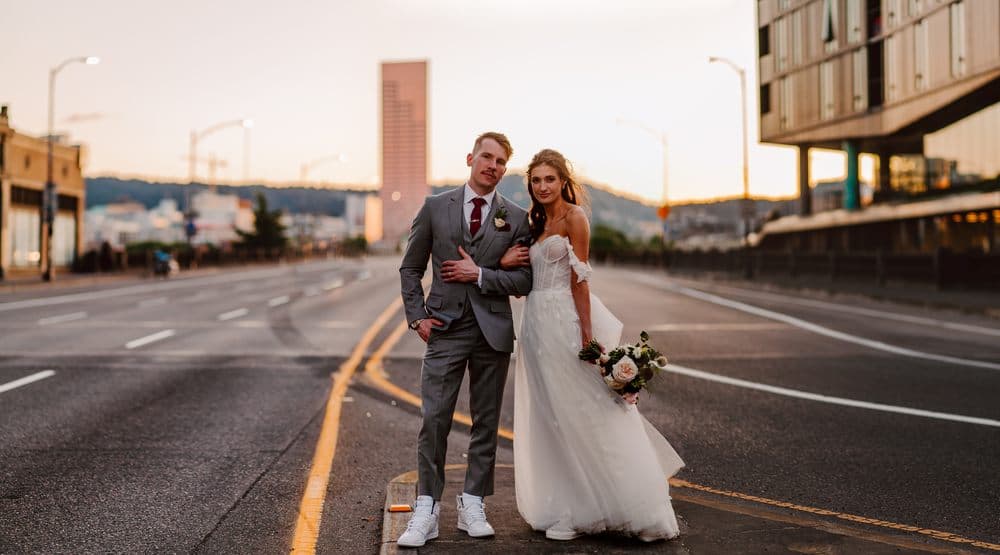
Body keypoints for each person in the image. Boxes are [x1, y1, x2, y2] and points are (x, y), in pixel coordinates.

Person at [504, 148, 684, 541]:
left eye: (549, 179)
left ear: (563, 180)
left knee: (581, 410)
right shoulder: (535, 222)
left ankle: (601, 507)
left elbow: (581, 281)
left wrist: (588, 337)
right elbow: (523, 279)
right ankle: (564, 504)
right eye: (536, 180)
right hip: (535, 325)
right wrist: (502, 263)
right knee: (550, 414)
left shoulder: (575, 218)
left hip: (564, 322)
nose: (542, 186)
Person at [397, 132, 533, 548]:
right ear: (470, 158)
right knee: (434, 419)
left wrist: (482, 273)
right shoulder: (437, 207)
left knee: (486, 423)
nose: (492, 165)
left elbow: (525, 280)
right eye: (486, 157)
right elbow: (410, 267)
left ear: (505, 169)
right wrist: (417, 317)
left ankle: (473, 501)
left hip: (492, 331)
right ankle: (427, 507)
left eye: (500, 161)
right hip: (444, 328)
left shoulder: (517, 217)